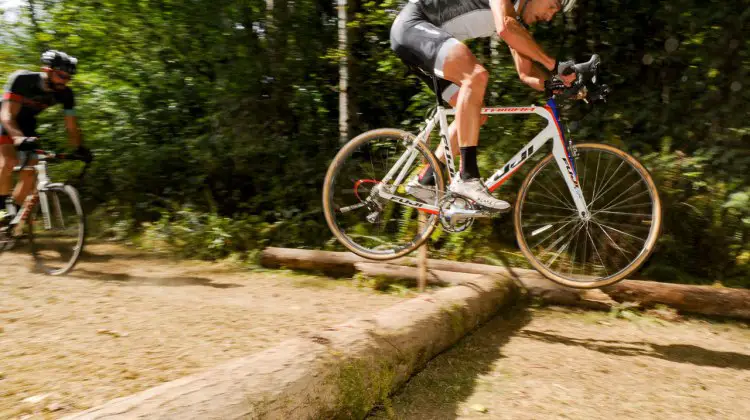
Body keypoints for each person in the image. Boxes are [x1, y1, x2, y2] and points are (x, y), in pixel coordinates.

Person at [390, 0, 577, 210]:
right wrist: (554, 64)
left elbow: (527, 74)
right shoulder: (508, 14)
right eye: (552, 6)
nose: (549, 16)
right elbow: (505, 28)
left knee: (474, 114)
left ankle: (427, 179)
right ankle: (467, 178)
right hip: (413, 26)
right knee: (476, 76)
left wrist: (562, 86)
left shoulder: (516, 23)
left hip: (426, 41)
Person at [0, 50, 90, 224]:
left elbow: (71, 126)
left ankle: (11, 220)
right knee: (8, 162)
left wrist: (79, 148)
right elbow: (7, 115)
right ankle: (1, 209)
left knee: (31, 172)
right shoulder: (23, 80)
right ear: (47, 70)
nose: (65, 80)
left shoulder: (65, 94)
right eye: (61, 75)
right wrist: (18, 138)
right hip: (5, 119)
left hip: (27, 125)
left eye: (68, 77)